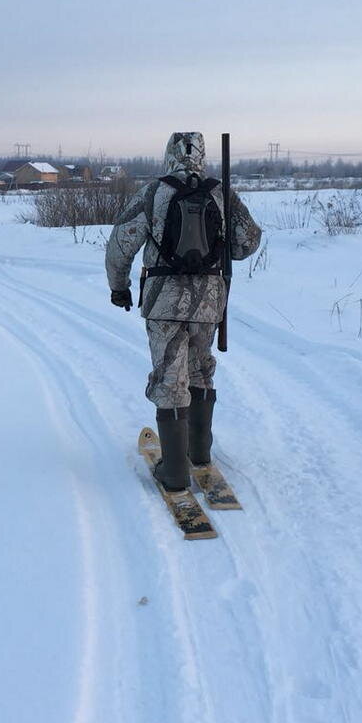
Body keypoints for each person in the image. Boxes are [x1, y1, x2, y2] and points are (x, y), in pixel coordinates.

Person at [105, 131, 262, 492]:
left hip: (164, 299)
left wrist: (119, 286)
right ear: (202, 155)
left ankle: (174, 470)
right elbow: (248, 241)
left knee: (168, 376)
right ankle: (200, 452)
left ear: (168, 154)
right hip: (209, 302)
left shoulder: (154, 192)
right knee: (200, 368)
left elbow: (120, 243)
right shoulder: (220, 192)